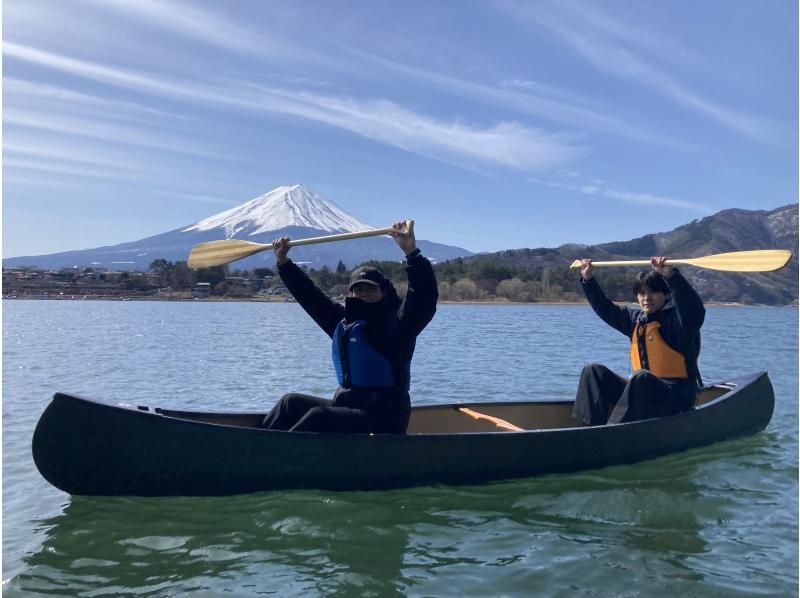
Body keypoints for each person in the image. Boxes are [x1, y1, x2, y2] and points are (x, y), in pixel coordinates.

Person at [260, 221, 438, 434]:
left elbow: (423, 300)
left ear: (383, 291)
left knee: (319, 417)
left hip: (383, 418)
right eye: (359, 289)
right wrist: (283, 262)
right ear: (351, 294)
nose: (366, 293)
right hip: (349, 407)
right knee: (289, 403)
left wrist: (412, 253)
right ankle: (255, 446)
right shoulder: (343, 323)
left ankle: (272, 457)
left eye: (371, 289)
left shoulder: (397, 326)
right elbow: (310, 297)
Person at [572, 256, 705, 426]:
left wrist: (671, 276)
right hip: (643, 394)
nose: (646, 298)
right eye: (642, 293)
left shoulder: (679, 322)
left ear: (665, 294)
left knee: (641, 378)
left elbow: (693, 309)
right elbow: (605, 308)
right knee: (593, 371)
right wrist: (588, 280)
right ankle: (590, 428)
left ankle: (610, 433)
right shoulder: (635, 320)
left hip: (675, 398)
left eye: (653, 292)